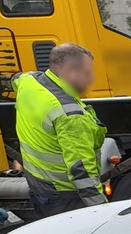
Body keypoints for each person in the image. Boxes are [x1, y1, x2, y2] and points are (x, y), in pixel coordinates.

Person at [13, 43, 108, 216]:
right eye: (87, 73)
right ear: (69, 71)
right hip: (66, 197)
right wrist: (100, 209)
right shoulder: (70, 115)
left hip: (38, 187)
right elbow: (81, 168)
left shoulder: (29, 82)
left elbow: (16, 79)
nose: (91, 79)